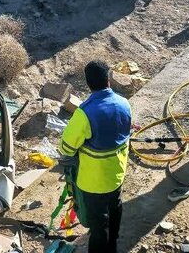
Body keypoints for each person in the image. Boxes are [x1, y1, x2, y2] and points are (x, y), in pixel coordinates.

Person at [59, 60, 132, 253]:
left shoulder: (85, 113)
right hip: (117, 172)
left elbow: (66, 148)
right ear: (108, 80)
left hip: (93, 181)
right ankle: (113, 244)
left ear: (88, 84)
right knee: (115, 206)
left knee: (99, 225)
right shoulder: (124, 103)